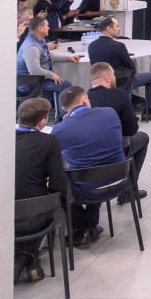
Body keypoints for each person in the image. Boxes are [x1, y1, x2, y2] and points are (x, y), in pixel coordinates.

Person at [51, 85, 128, 246]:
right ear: (84, 99)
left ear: (64, 109)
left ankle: (82, 227)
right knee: (95, 166)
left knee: (59, 180)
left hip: (87, 188)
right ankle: (89, 224)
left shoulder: (60, 130)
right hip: (120, 179)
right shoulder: (109, 112)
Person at [14, 97, 70, 282]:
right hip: (35, 213)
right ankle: (28, 255)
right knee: (50, 206)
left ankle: (26, 257)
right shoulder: (49, 141)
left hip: (5, 213)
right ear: (42, 122)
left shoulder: (4, 141)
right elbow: (58, 183)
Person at [87, 62, 150, 202]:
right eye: (113, 75)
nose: (115, 78)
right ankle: (127, 190)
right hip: (116, 150)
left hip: (90, 155)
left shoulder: (85, 98)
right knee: (142, 138)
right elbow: (132, 129)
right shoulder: (120, 96)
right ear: (108, 77)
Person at [86, 16, 151, 119]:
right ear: (109, 28)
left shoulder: (92, 46)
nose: (119, 29)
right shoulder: (118, 46)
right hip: (121, 81)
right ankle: (148, 113)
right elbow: (131, 66)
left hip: (100, 81)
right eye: (117, 26)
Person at [16, 17, 77, 97]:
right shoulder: (31, 47)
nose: (48, 28)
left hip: (38, 80)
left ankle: (51, 102)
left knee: (62, 81)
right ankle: (54, 104)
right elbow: (34, 70)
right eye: (47, 26)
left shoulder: (40, 40)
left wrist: (68, 58)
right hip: (29, 85)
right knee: (65, 85)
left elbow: (48, 55)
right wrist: (51, 75)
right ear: (40, 28)